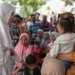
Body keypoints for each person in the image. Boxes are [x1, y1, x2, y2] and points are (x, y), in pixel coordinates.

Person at [0, 2, 20, 75]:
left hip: (7, 67)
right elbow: (1, 59)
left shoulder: (5, 29)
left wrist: (20, 60)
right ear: (4, 14)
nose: (14, 18)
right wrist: (9, 52)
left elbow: (11, 49)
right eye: (12, 14)